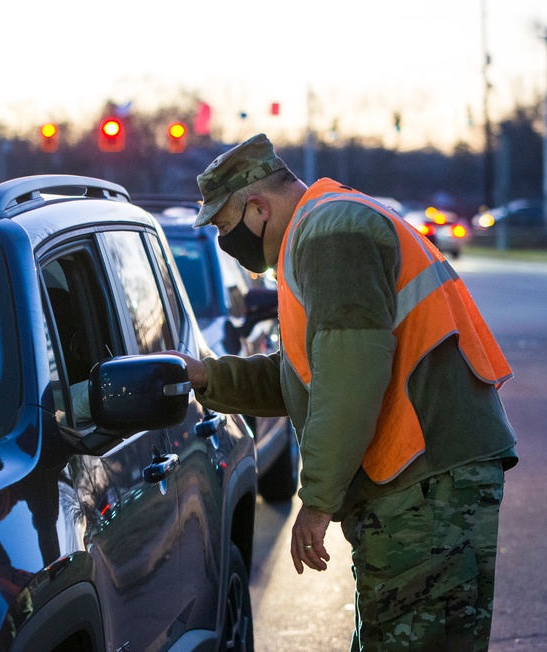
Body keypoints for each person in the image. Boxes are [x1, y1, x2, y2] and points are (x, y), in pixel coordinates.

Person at [166, 133, 517, 651]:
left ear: (257, 207)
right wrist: (209, 378)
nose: (225, 241)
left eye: (224, 225)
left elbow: (349, 380)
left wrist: (317, 501)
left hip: (428, 481)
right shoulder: (321, 230)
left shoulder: (330, 234)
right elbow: (307, 376)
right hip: (423, 480)